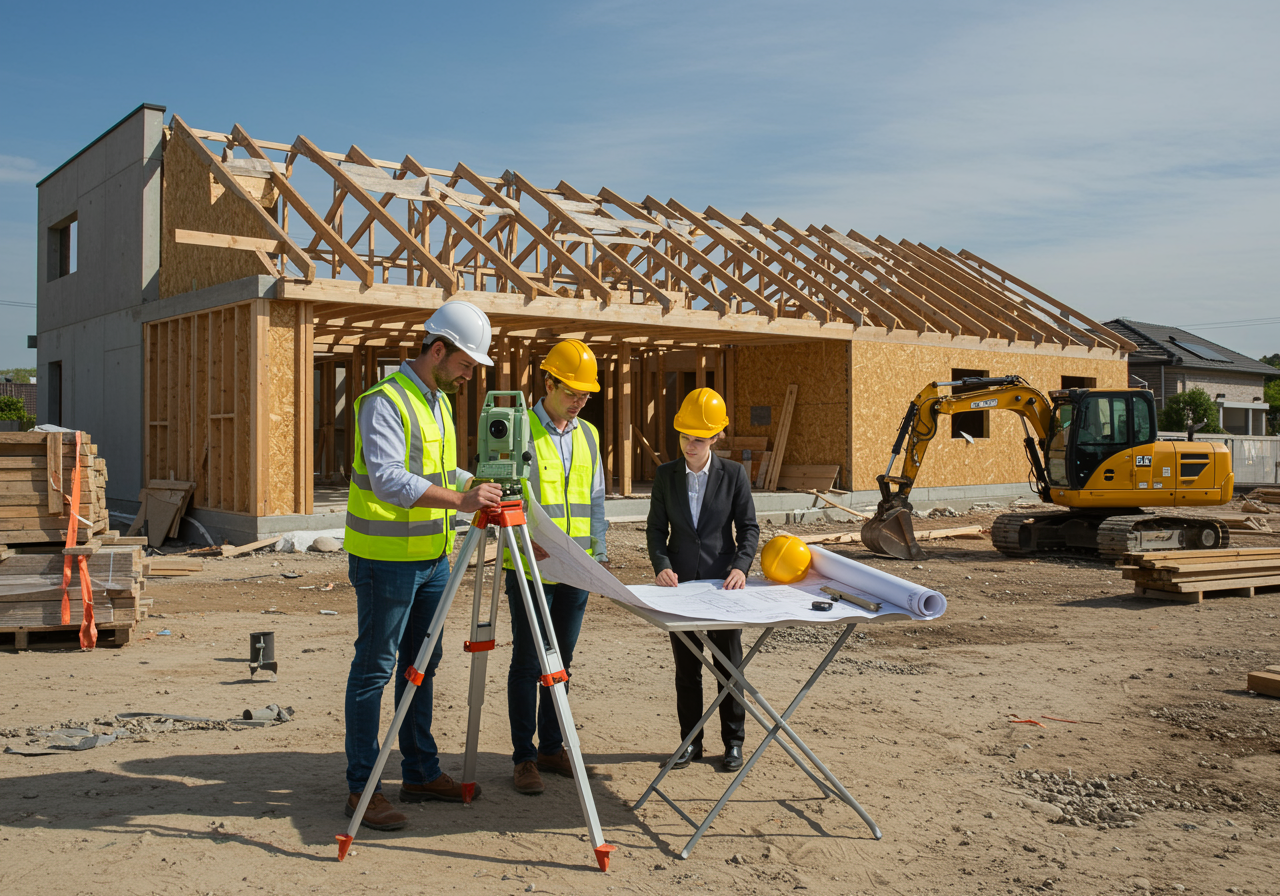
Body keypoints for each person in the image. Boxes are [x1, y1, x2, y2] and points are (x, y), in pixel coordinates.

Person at [342, 301, 503, 831]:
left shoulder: (435, 399)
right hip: (386, 559)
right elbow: (389, 478)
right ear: (438, 349)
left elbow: (434, 469)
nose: (468, 373)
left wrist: (473, 482)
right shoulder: (384, 401)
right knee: (375, 670)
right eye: (464, 363)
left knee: (421, 667)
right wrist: (461, 502)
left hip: (432, 557)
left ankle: (419, 771)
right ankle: (363, 788)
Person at [504, 339, 608, 796]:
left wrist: (598, 553)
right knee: (529, 662)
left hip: (576, 568)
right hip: (531, 567)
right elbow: (504, 497)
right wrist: (526, 545)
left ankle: (550, 746)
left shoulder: (588, 435)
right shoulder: (519, 429)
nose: (581, 401)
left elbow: (597, 499)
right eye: (573, 392)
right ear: (548, 383)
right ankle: (523, 758)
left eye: (586, 394)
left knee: (560, 662)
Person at [646, 387, 759, 772]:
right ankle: (690, 742)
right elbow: (655, 529)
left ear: (716, 437)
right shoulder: (665, 476)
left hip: (721, 586)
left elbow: (748, 528)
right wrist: (661, 563)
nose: (689, 445)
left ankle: (734, 743)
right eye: (684, 436)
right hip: (679, 588)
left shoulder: (734, 475)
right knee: (687, 669)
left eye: (697, 439)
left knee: (729, 667)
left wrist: (741, 568)